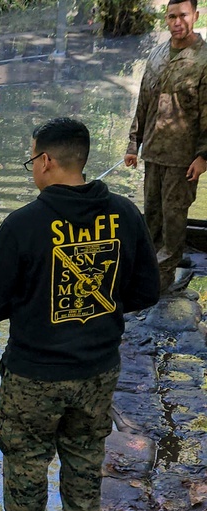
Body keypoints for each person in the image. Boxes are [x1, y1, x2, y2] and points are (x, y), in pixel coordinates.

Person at [0, 118, 159, 511]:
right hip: (98, 367)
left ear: (46, 161)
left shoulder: (22, 225)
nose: (33, 169)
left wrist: (33, 305)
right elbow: (145, 291)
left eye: (31, 160)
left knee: (26, 455)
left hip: (34, 371)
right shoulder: (125, 215)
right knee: (85, 451)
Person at [124, 0, 207, 292]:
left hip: (183, 158)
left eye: (183, 15)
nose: (177, 22)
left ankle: (164, 278)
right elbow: (144, 102)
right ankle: (149, 270)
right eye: (172, 16)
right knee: (152, 214)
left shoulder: (204, 59)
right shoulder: (158, 54)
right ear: (166, 18)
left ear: (195, 16)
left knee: (174, 218)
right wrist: (133, 144)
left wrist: (203, 157)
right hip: (153, 152)